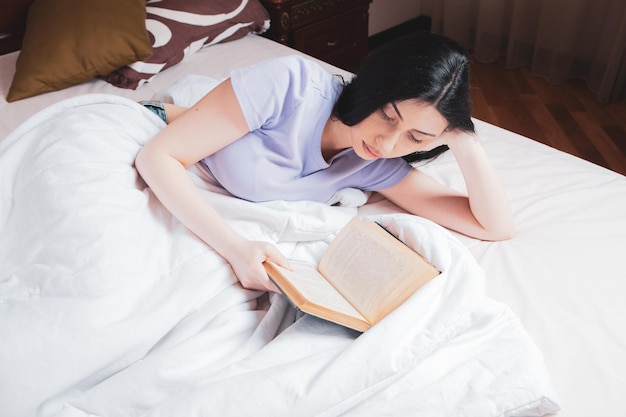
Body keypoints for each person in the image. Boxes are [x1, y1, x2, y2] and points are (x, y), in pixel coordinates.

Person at [135, 32, 515, 293]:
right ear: (373, 86)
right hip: (144, 140)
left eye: (415, 138)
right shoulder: (292, 85)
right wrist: (236, 249)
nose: (387, 143)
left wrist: (465, 138)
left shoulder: (374, 163)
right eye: (387, 115)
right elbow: (158, 156)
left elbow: (493, 226)